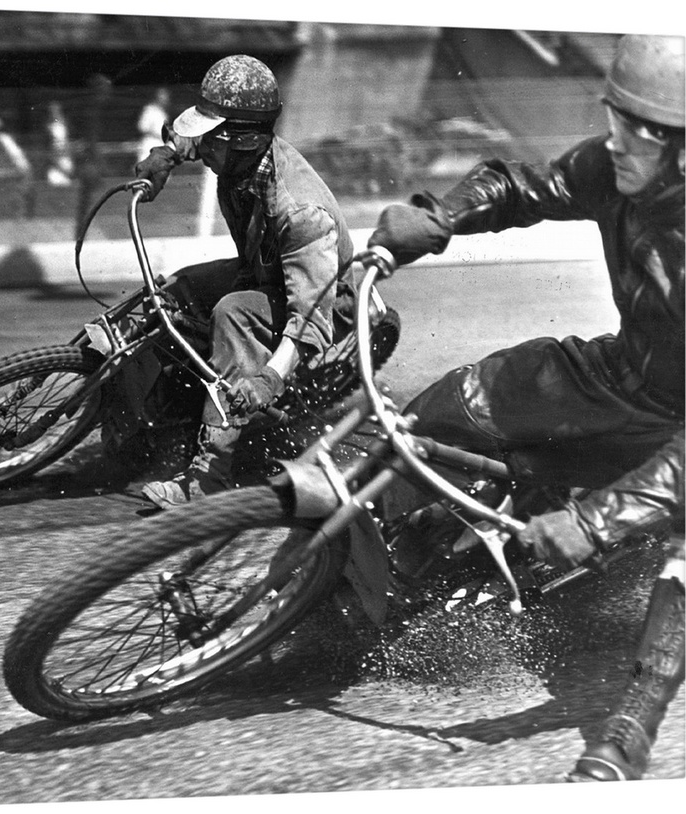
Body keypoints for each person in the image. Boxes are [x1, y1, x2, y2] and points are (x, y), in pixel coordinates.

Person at [357, 34, 684, 782]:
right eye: (617, 116)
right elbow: (527, 185)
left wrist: (595, 523)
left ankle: (631, 727)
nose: (618, 138)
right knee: (460, 399)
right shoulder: (616, 167)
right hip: (622, 372)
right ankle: (369, 543)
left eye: (644, 128)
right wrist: (436, 218)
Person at [133, 54, 361, 509]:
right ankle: (155, 420)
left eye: (210, 140)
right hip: (264, 272)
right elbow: (190, 139)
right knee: (170, 292)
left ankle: (207, 480)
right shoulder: (235, 156)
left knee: (233, 314)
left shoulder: (301, 212)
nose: (204, 151)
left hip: (319, 300)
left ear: (243, 139)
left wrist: (270, 380)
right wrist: (167, 155)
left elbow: (309, 316)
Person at [136, 87, 171, 164]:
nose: (165, 99)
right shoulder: (149, 110)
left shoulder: (162, 113)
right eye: (162, 96)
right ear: (157, 97)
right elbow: (142, 127)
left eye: (166, 97)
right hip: (150, 143)